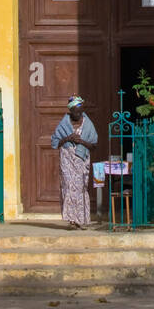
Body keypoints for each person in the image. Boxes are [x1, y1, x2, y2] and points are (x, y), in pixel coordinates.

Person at [51, 95, 98, 228]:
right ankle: (71, 220)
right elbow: (55, 143)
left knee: (80, 188)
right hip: (66, 159)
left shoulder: (88, 125)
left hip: (81, 160)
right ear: (70, 111)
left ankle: (81, 220)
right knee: (68, 187)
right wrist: (67, 138)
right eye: (76, 111)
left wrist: (81, 141)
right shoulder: (63, 124)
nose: (78, 113)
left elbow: (94, 145)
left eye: (81, 110)